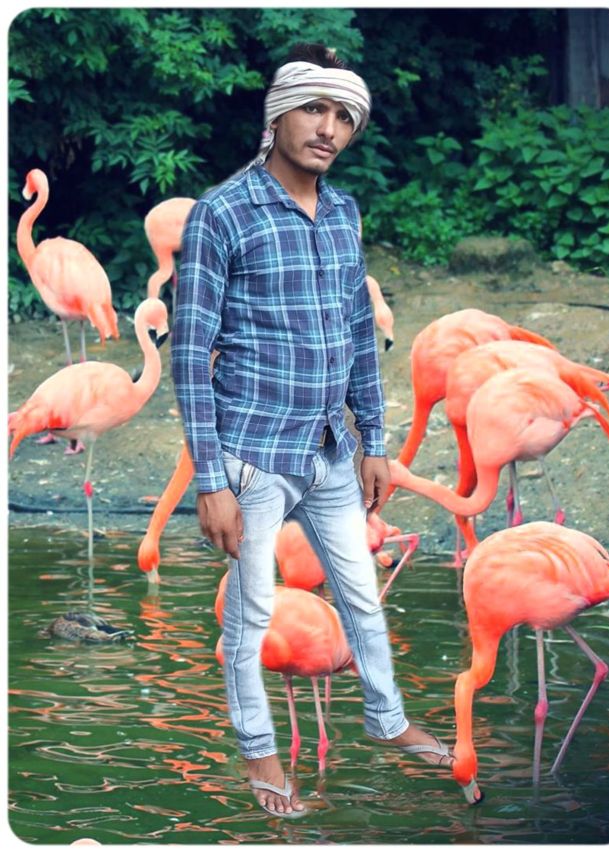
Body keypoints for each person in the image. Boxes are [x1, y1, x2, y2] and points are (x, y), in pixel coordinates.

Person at [171, 43, 452, 818]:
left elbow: (359, 331)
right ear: (278, 114)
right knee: (249, 617)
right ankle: (260, 750)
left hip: (331, 446)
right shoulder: (223, 213)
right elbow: (189, 353)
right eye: (314, 109)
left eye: (344, 117)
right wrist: (210, 480)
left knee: (361, 597)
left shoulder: (343, 213)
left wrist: (375, 440)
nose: (329, 128)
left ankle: (387, 718)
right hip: (255, 452)